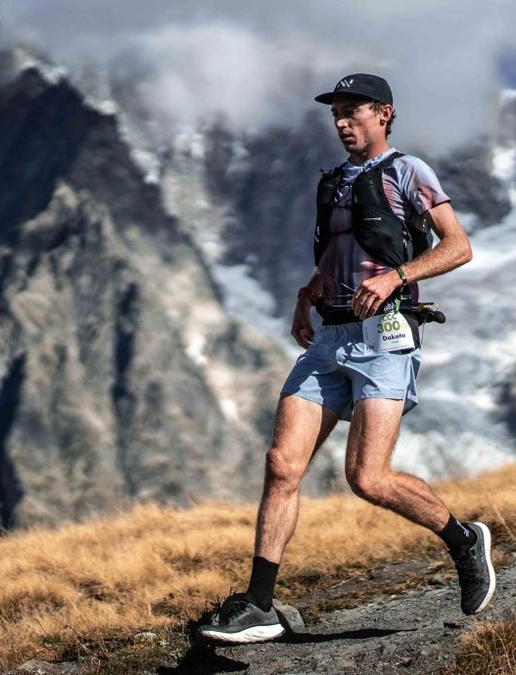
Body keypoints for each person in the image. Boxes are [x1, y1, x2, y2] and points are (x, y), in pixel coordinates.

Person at [198, 73, 494, 644]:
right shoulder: (332, 181)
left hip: (385, 337)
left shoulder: (410, 171)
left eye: (352, 111)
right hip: (329, 337)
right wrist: (307, 293)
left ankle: (463, 540)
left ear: (383, 114)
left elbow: (459, 246)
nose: (340, 122)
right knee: (282, 463)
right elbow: (340, 253)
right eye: (335, 112)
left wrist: (398, 276)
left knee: (367, 477)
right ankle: (260, 603)